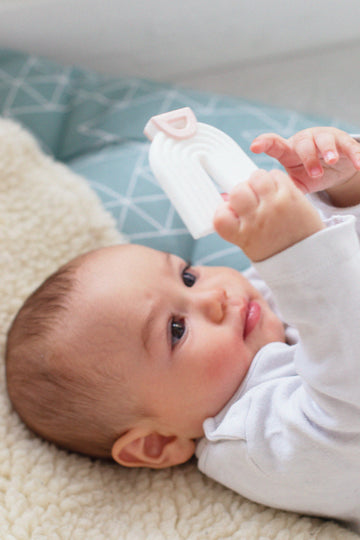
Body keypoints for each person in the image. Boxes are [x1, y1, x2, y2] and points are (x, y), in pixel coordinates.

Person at [5, 127, 360, 533]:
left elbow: (343, 257)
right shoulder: (251, 446)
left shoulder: (254, 304)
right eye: (176, 330)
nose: (213, 297)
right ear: (156, 444)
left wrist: (340, 189)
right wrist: (297, 253)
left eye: (188, 277)